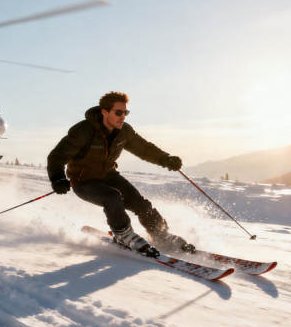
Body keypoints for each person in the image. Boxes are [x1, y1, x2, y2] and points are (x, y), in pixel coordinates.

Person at [47, 91, 195, 255]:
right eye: (118, 112)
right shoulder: (83, 131)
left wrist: (166, 159)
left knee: (140, 203)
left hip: (109, 176)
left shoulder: (124, 131)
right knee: (112, 197)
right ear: (104, 112)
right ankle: (123, 234)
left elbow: (144, 149)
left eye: (126, 112)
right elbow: (57, 156)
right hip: (84, 182)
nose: (123, 116)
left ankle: (161, 235)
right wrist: (58, 178)